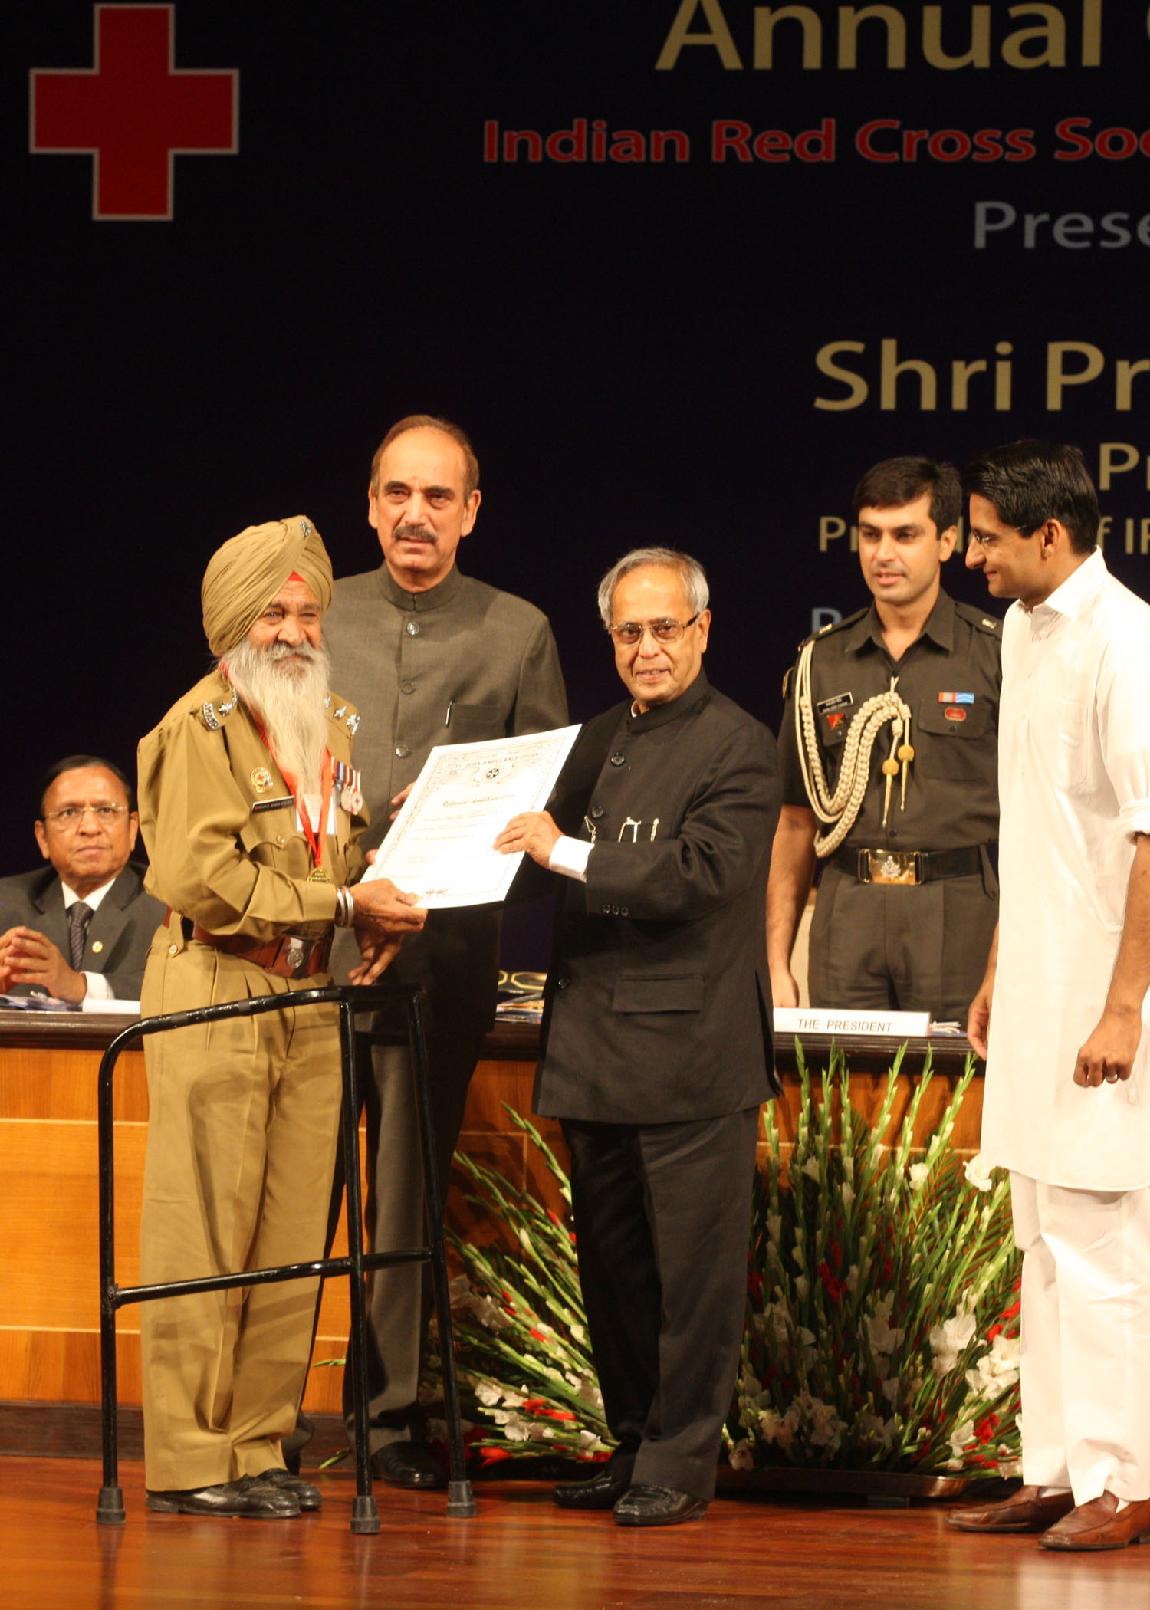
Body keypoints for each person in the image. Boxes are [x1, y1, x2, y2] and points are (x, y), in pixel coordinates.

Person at [135, 515, 426, 1520]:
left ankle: (259, 1444)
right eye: (273, 614)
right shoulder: (196, 727)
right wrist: (343, 905)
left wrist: (385, 883)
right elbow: (202, 879)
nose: (295, 633)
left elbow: (332, 860)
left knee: (294, 1231)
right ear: (232, 625)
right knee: (205, 1227)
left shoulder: (328, 722)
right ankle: (190, 1456)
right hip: (215, 987)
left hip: (309, 993)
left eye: (308, 613)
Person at [495, 547, 779, 1527]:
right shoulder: (595, 739)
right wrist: (453, 824)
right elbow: (527, 851)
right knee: (615, 1274)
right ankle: (629, 1446)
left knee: (692, 1282)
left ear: (702, 630)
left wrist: (562, 849)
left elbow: (698, 873)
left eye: (665, 628)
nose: (646, 648)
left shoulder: (741, 746)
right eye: (628, 631)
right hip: (593, 1052)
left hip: (691, 1057)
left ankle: (679, 1463)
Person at [321, 413, 567, 1488]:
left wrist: (457, 816)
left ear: (471, 510)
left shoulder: (517, 631)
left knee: (405, 1194)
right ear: (370, 503)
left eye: (436, 496)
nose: (414, 514)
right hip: (314, 944)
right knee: (294, 1187)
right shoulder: (313, 613)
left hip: (442, 953)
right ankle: (259, 1415)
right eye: (396, 493)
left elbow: (545, 802)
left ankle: (384, 1421)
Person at [947, 441, 1150, 1551]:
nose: (969, 554)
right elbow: (1034, 825)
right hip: (1032, 986)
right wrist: (997, 968)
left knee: (1102, 1242)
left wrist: (1122, 1007)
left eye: (985, 536)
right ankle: (1058, 1469)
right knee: (1041, 1238)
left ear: (1050, 535)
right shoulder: (1023, 631)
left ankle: (1126, 1478)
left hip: (1102, 996)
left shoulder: (1127, 641)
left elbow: (1149, 836)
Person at [767, 456, 1001, 1022]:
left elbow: (1034, 828)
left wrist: (1003, 965)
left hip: (957, 906)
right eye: (870, 535)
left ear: (947, 541)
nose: (883, 553)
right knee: (841, 1076)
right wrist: (775, 961)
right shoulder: (820, 661)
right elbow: (795, 822)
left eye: (905, 535)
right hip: (848, 909)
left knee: (959, 1076)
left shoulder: (995, 654)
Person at [0, 755, 164, 1002]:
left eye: (106, 810)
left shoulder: (168, 906)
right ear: (42, 837)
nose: (89, 828)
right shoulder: (6, 904)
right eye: (69, 813)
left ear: (132, 829)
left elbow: (190, 989)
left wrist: (81, 987)